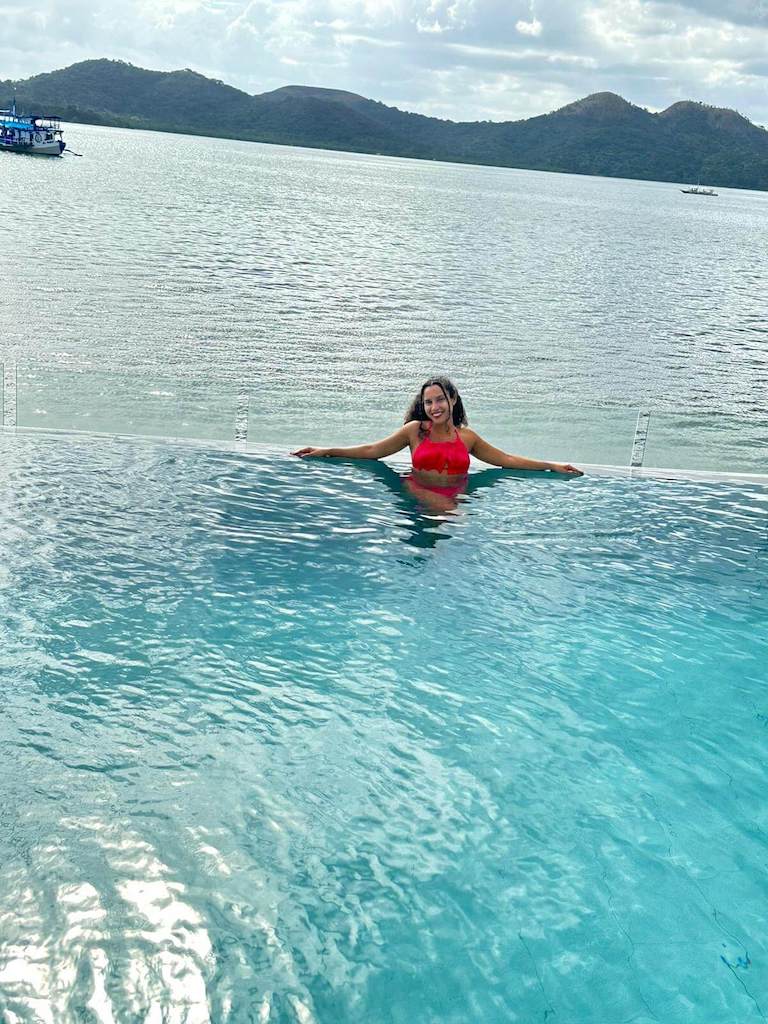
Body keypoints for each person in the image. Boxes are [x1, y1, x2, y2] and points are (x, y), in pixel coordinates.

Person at [292, 377, 583, 510]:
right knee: (451, 521)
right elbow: (371, 451)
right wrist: (326, 450)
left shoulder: (466, 437)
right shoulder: (415, 431)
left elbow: (505, 459)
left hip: (456, 494)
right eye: (428, 402)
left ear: (452, 400)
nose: (434, 407)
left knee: (449, 522)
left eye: (440, 399)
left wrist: (551, 466)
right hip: (418, 489)